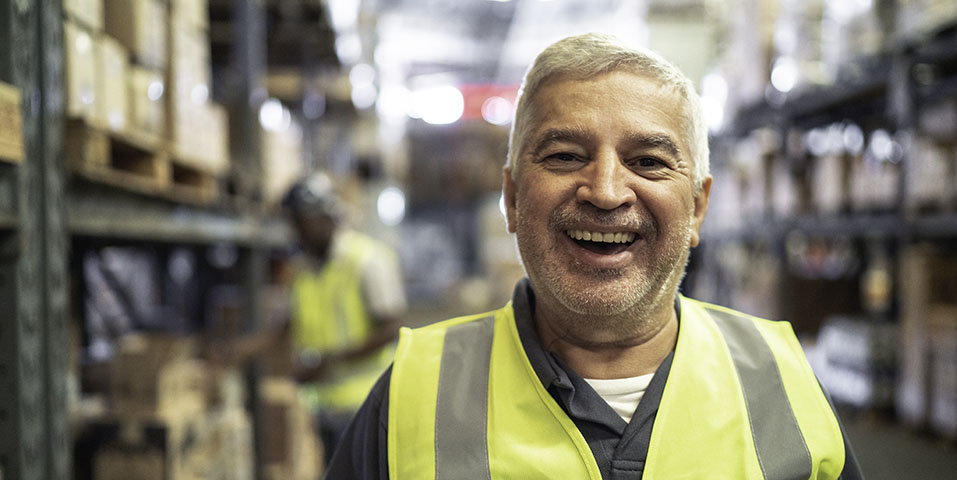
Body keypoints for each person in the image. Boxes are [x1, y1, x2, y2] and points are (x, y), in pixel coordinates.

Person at [324, 33, 863, 479]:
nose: (605, 191)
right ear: (512, 199)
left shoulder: (785, 381)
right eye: (564, 156)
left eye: (648, 161)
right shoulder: (412, 397)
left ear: (697, 209)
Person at [276, 172, 407, 463]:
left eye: (302, 221)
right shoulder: (302, 269)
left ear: (324, 216)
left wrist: (329, 360)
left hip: (366, 402)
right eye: (293, 222)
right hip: (321, 404)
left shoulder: (366, 260)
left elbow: (391, 327)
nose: (297, 230)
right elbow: (287, 325)